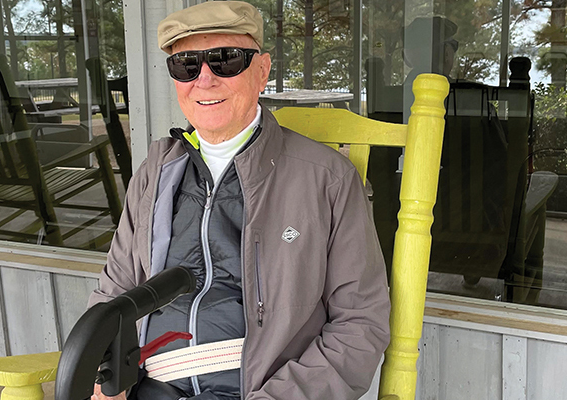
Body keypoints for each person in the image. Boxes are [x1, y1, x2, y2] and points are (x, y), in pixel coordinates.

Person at [89, 2, 390, 399]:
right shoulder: (155, 173)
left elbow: (359, 324)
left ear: (262, 71)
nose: (204, 79)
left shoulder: (326, 180)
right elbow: (114, 293)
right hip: (150, 386)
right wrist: (104, 377)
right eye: (186, 65)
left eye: (226, 60)